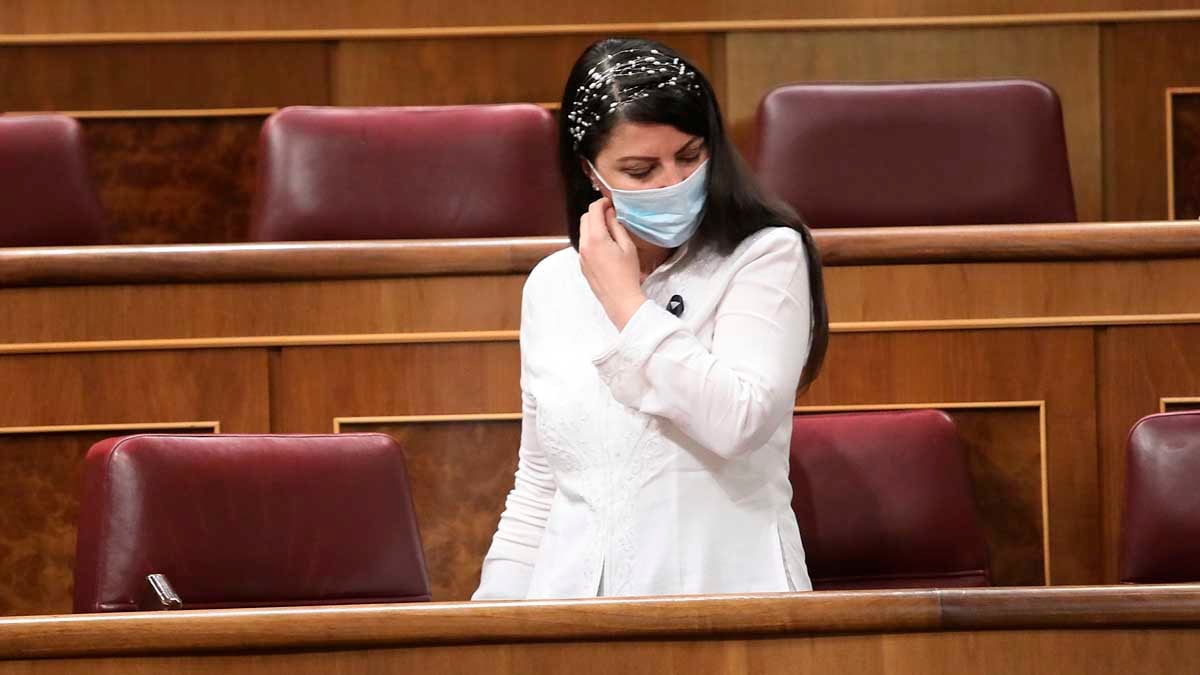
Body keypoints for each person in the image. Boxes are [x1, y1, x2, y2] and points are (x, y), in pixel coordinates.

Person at [472, 37, 829, 600]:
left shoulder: (765, 256)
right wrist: (490, 624)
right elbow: (540, 485)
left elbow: (738, 419)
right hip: (573, 620)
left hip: (730, 610)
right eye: (640, 169)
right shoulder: (551, 285)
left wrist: (624, 301)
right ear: (590, 172)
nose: (672, 183)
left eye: (690, 156)